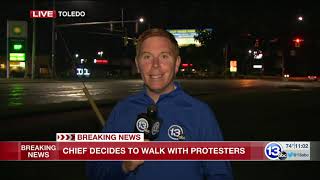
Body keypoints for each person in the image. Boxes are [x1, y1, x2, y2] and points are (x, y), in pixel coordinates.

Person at [86, 28, 233, 180]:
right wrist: (124, 166)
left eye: (164, 56)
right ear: (138, 64)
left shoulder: (199, 113)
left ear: (176, 63)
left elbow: (221, 174)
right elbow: (95, 172)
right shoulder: (122, 110)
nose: (155, 65)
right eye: (147, 57)